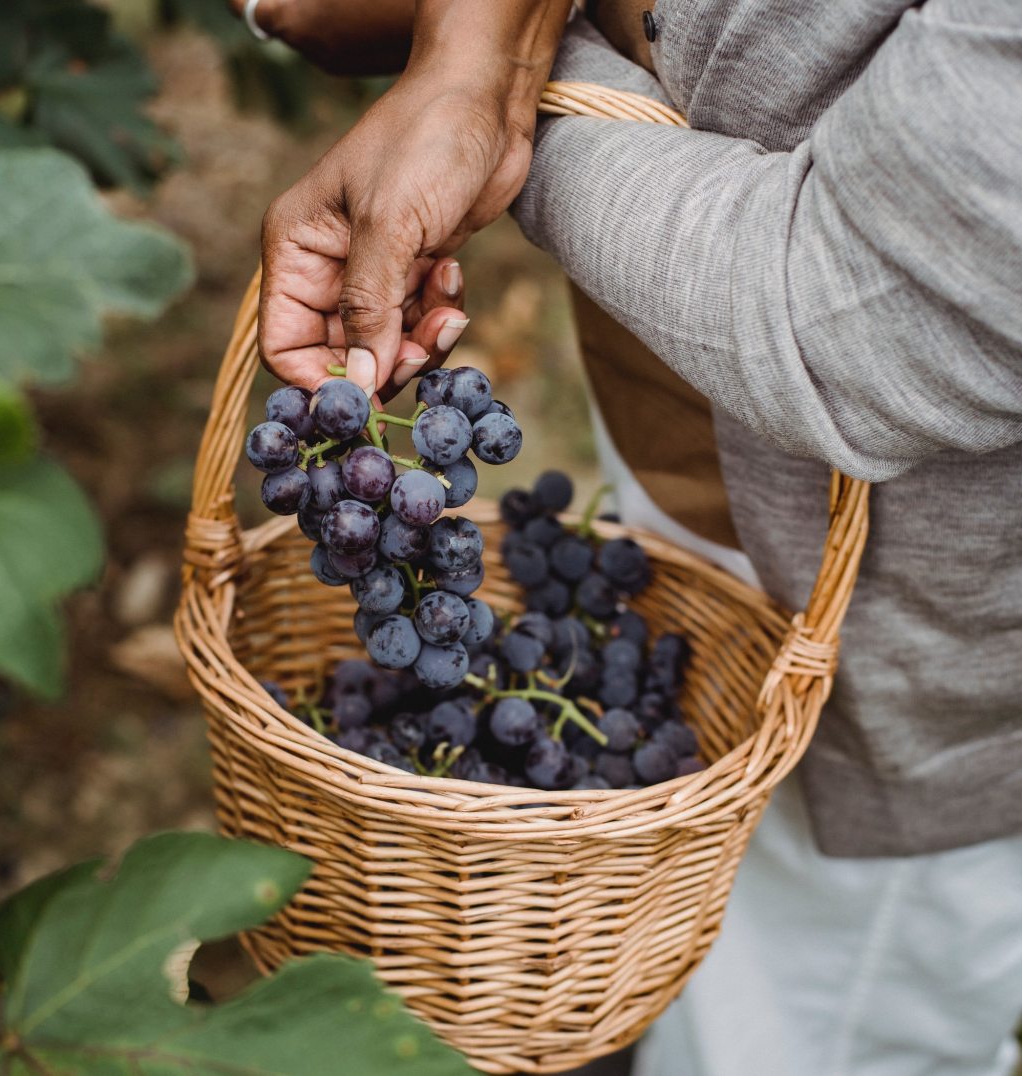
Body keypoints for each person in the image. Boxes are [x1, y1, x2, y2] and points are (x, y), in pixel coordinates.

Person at [232, 1, 1022, 1073]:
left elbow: (846, 313)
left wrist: (500, 91)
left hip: (936, 643)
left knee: (827, 1008)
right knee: (683, 837)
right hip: (700, 427)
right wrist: (475, 50)